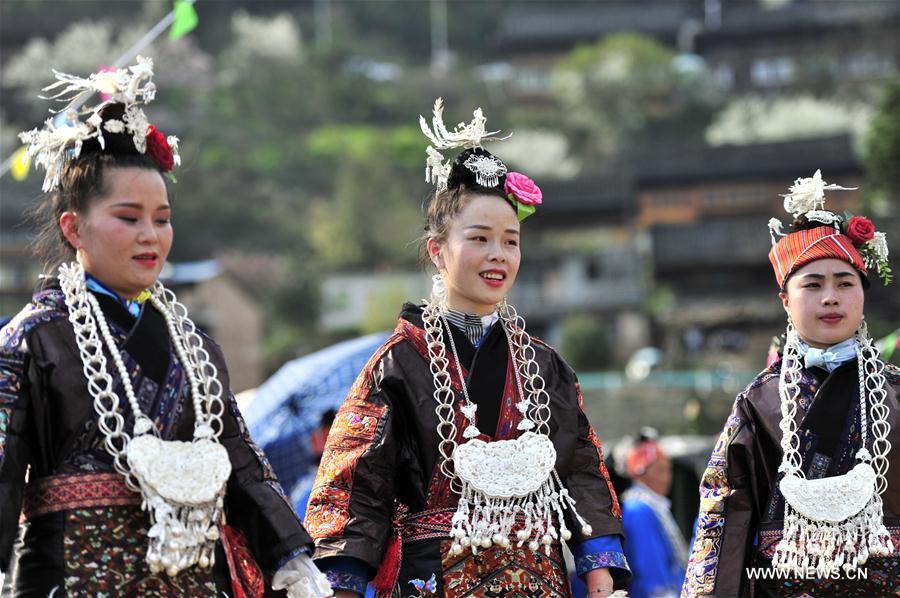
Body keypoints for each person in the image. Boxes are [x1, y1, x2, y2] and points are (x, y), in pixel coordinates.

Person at [0, 58, 330, 597]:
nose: (150, 235)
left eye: (162, 217)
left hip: (192, 580)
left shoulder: (197, 349)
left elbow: (241, 462)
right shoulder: (32, 339)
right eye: (129, 218)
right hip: (70, 580)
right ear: (73, 227)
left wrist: (290, 556)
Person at [304, 99, 630, 597]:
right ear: (438, 250)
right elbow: (357, 487)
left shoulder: (544, 366)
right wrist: (343, 584)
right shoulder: (397, 364)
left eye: (511, 240)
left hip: (537, 581)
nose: (498, 254)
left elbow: (579, 467)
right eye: (479, 238)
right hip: (434, 578)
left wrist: (598, 568)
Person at [682, 170, 900, 596]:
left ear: (863, 294)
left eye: (844, 283)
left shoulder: (896, 392)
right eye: (813, 285)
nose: (830, 297)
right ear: (785, 300)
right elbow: (725, 511)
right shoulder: (758, 402)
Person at [621, 434, 687, 598]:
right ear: (640, 472)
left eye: (668, 469)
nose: (667, 477)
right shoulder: (638, 509)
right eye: (660, 470)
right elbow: (649, 565)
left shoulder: (654, 504)